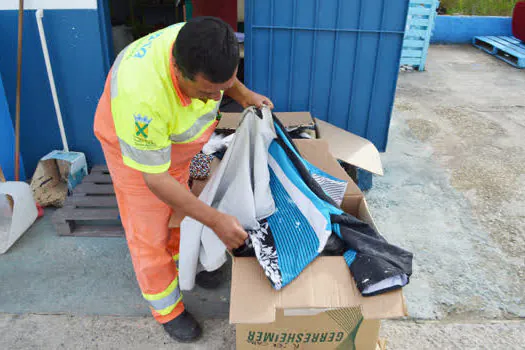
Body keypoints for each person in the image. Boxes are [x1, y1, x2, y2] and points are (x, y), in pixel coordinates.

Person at [93, 17, 273, 342]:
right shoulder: (142, 100)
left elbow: (221, 80)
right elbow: (157, 181)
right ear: (177, 70)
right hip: (137, 154)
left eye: (223, 87)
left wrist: (243, 93)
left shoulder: (203, 42)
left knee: (183, 206)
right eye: (207, 92)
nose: (214, 98)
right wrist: (217, 221)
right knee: (149, 230)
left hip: (175, 145)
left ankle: (184, 262)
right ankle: (167, 308)